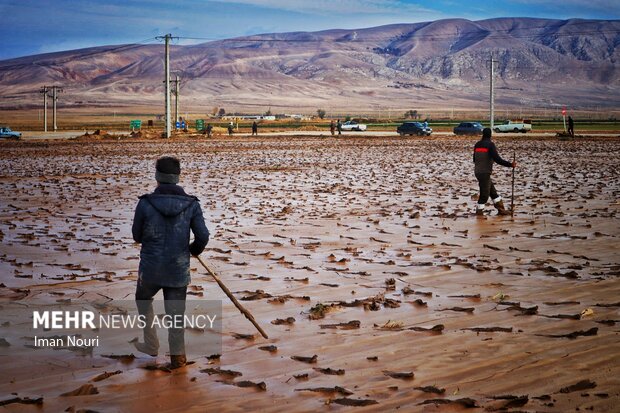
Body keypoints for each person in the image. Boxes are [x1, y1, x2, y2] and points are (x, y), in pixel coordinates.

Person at [132, 156, 210, 368]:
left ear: (157, 176)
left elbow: (136, 236)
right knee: (175, 313)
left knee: (142, 299)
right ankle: (178, 358)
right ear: (177, 177)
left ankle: (151, 343)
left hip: (150, 269)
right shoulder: (191, 204)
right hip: (177, 268)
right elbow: (203, 236)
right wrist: (193, 250)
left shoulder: (145, 203)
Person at [473, 128, 516, 216]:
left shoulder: (477, 144)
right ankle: (479, 213)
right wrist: (510, 164)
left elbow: (474, 159)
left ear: (483, 134)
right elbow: (497, 159)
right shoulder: (490, 145)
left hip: (478, 172)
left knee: (493, 193)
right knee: (484, 195)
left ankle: (501, 210)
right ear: (490, 135)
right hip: (484, 173)